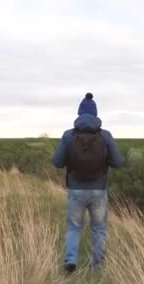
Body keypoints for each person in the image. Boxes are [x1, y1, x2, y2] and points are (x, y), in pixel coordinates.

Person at [53, 97, 124, 273]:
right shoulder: (105, 135)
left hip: (76, 190)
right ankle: (96, 266)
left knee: (73, 227)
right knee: (99, 229)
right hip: (98, 191)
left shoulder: (68, 135)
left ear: (79, 113)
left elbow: (57, 162)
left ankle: (70, 260)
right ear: (95, 114)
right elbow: (118, 162)